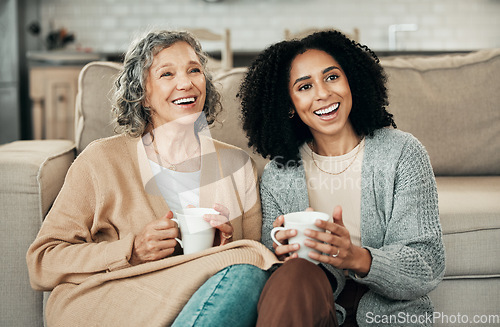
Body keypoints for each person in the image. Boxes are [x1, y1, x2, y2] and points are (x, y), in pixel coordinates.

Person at [26, 30, 278, 327]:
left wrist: (223, 248)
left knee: (250, 274)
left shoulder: (239, 166)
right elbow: (42, 261)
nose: (186, 83)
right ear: (142, 94)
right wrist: (131, 251)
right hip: (115, 301)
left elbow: (250, 265)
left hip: (198, 302)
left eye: (194, 70)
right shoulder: (100, 160)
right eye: (167, 74)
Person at [238, 30, 445, 327]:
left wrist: (355, 257)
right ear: (289, 105)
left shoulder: (403, 154)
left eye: (332, 77)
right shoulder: (279, 174)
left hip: (386, 316)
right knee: (294, 274)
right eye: (305, 86)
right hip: (311, 308)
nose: (323, 93)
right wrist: (280, 257)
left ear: (352, 82)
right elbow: (271, 275)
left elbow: (426, 267)